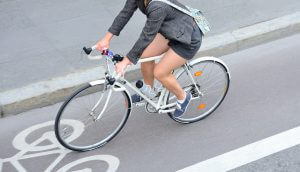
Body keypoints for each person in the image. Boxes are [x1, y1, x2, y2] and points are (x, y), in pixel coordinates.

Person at [96, 0, 202, 117]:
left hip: (188, 38)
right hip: (171, 30)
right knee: (145, 56)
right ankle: (148, 92)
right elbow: (125, 13)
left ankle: (183, 97)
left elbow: (146, 37)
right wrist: (106, 39)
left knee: (160, 73)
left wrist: (126, 61)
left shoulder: (158, 7)